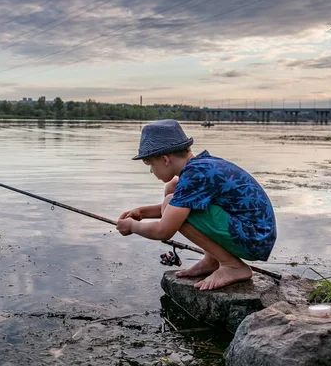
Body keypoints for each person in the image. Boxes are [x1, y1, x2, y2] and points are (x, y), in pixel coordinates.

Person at [117, 119, 276, 290]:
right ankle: (212, 260)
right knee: (173, 188)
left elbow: (164, 230)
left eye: (150, 165)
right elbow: (180, 206)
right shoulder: (200, 167)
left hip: (253, 238)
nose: (151, 171)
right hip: (256, 234)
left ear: (164, 160)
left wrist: (132, 226)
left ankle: (232, 266)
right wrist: (142, 212)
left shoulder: (194, 176)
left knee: (171, 200)